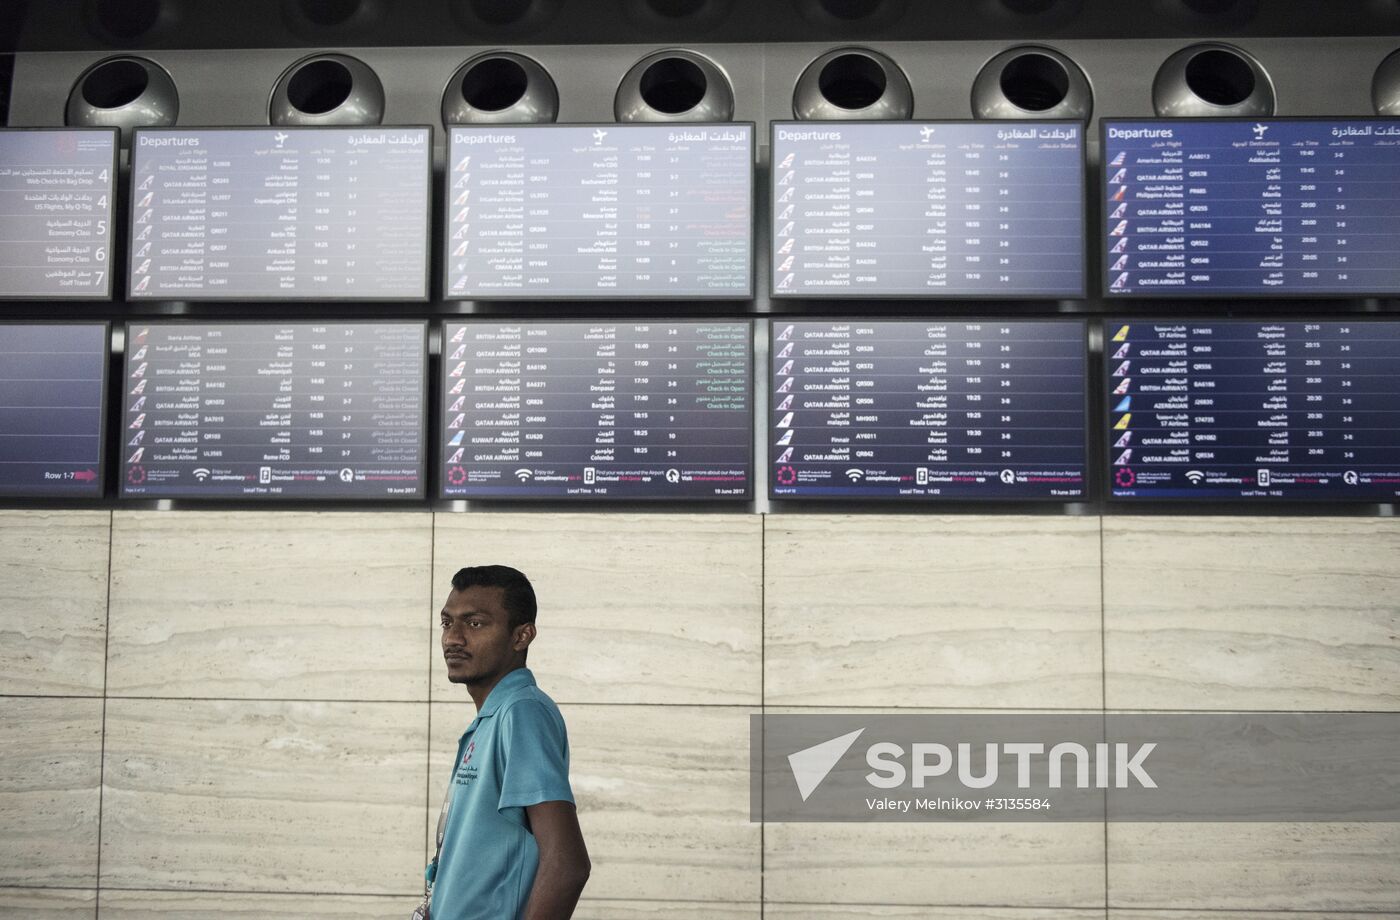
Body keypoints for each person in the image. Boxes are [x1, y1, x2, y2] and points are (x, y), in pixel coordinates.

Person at [428, 565, 590, 920]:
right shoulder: (493, 717)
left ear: (522, 636)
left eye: (474, 623)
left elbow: (567, 864)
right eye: (446, 622)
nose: (453, 638)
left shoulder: (522, 713)